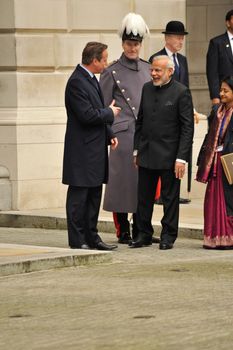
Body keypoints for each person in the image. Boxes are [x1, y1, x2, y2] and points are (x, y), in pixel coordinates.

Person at [99, 13, 153, 245]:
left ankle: (142, 228)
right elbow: (103, 106)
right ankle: (122, 230)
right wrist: (109, 133)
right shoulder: (111, 71)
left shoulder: (147, 68)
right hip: (122, 135)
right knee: (121, 185)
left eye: (137, 43)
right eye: (130, 43)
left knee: (143, 184)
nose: (133, 47)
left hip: (145, 135)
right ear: (122, 44)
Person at [62, 42, 121, 250]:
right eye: (104, 59)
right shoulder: (77, 81)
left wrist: (110, 133)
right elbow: (87, 115)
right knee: (80, 196)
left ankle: (92, 237)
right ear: (94, 60)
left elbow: (96, 110)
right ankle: (78, 240)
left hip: (95, 149)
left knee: (94, 195)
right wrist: (110, 114)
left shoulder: (92, 79)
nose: (106, 62)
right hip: (81, 151)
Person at [131, 55, 194, 250]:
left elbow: (187, 128)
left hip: (170, 156)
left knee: (169, 199)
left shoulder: (181, 92)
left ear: (170, 71)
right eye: (152, 70)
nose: (154, 74)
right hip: (147, 153)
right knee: (143, 198)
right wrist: (136, 150)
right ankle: (143, 234)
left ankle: (168, 235)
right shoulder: (146, 88)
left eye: (158, 70)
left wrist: (181, 158)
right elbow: (140, 121)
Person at [149, 20, 193, 204]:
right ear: (167, 38)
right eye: (178, 37)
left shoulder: (182, 60)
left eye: (183, 38)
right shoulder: (156, 58)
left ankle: (174, 191)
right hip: (163, 116)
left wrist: (192, 110)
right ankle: (160, 194)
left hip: (180, 114)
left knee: (180, 152)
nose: (181, 41)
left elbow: (186, 88)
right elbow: (153, 87)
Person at [196, 76, 233, 249]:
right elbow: (208, 136)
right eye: (221, 90)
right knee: (213, 200)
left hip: (230, 161)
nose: (221, 94)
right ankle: (214, 238)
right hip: (215, 161)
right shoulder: (217, 110)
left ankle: (229, 237)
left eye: (226, 91)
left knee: (228, 200)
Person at [206, 9, 233, 105]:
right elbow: (212, 72)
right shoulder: (216, 43)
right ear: (228, 23)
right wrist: (215, 96)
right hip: (224, 95)